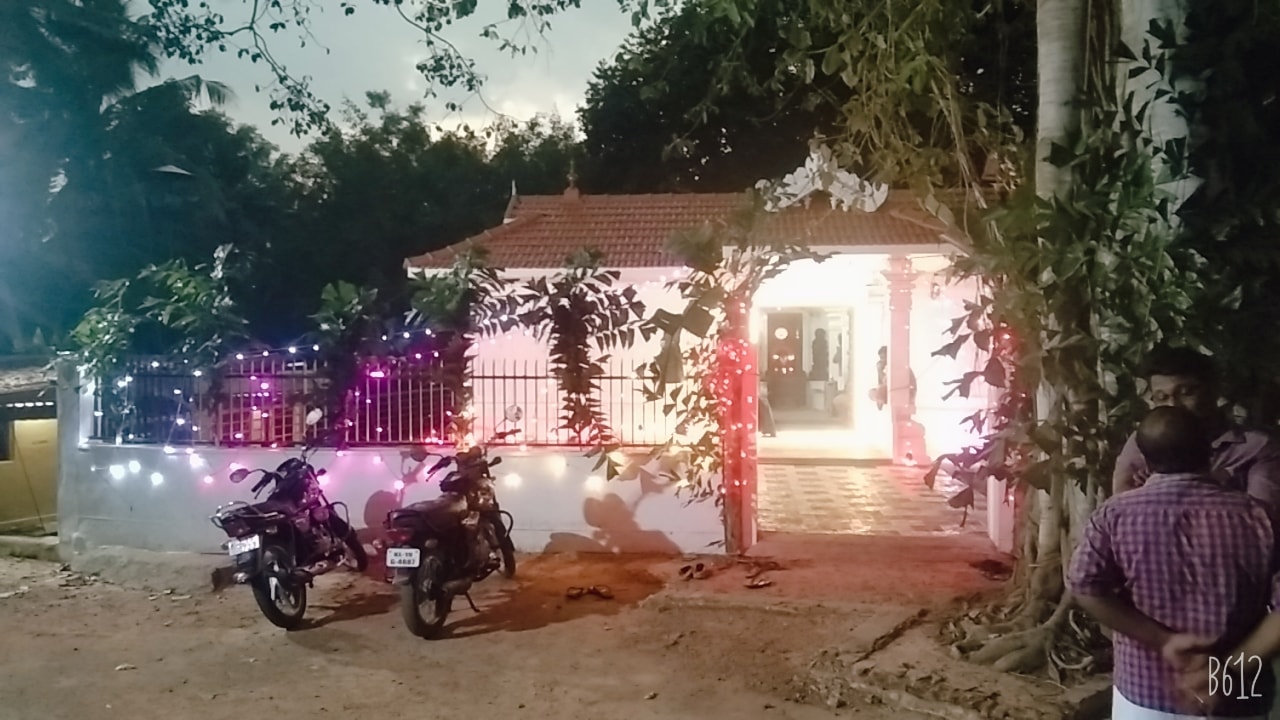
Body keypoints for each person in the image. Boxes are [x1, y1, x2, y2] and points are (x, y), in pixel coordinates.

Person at [1069, 405, 1280, 718]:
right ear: (1208, 451)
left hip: (1144, 694)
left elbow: (1085, 587)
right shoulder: (1259, 517)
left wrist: (1165, 640)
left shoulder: (1114, 516)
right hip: (1238, 697)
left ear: (1145, 458)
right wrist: (1223, 673)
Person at [1112, 345, 1280, 509]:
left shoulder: (1257, 448)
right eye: (1162, 398)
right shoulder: (1143, 440)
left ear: (1214, 389)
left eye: (1186, 393)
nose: (1173, 405)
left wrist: (1157, 489)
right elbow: (1122, 506)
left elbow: (1264, 519)